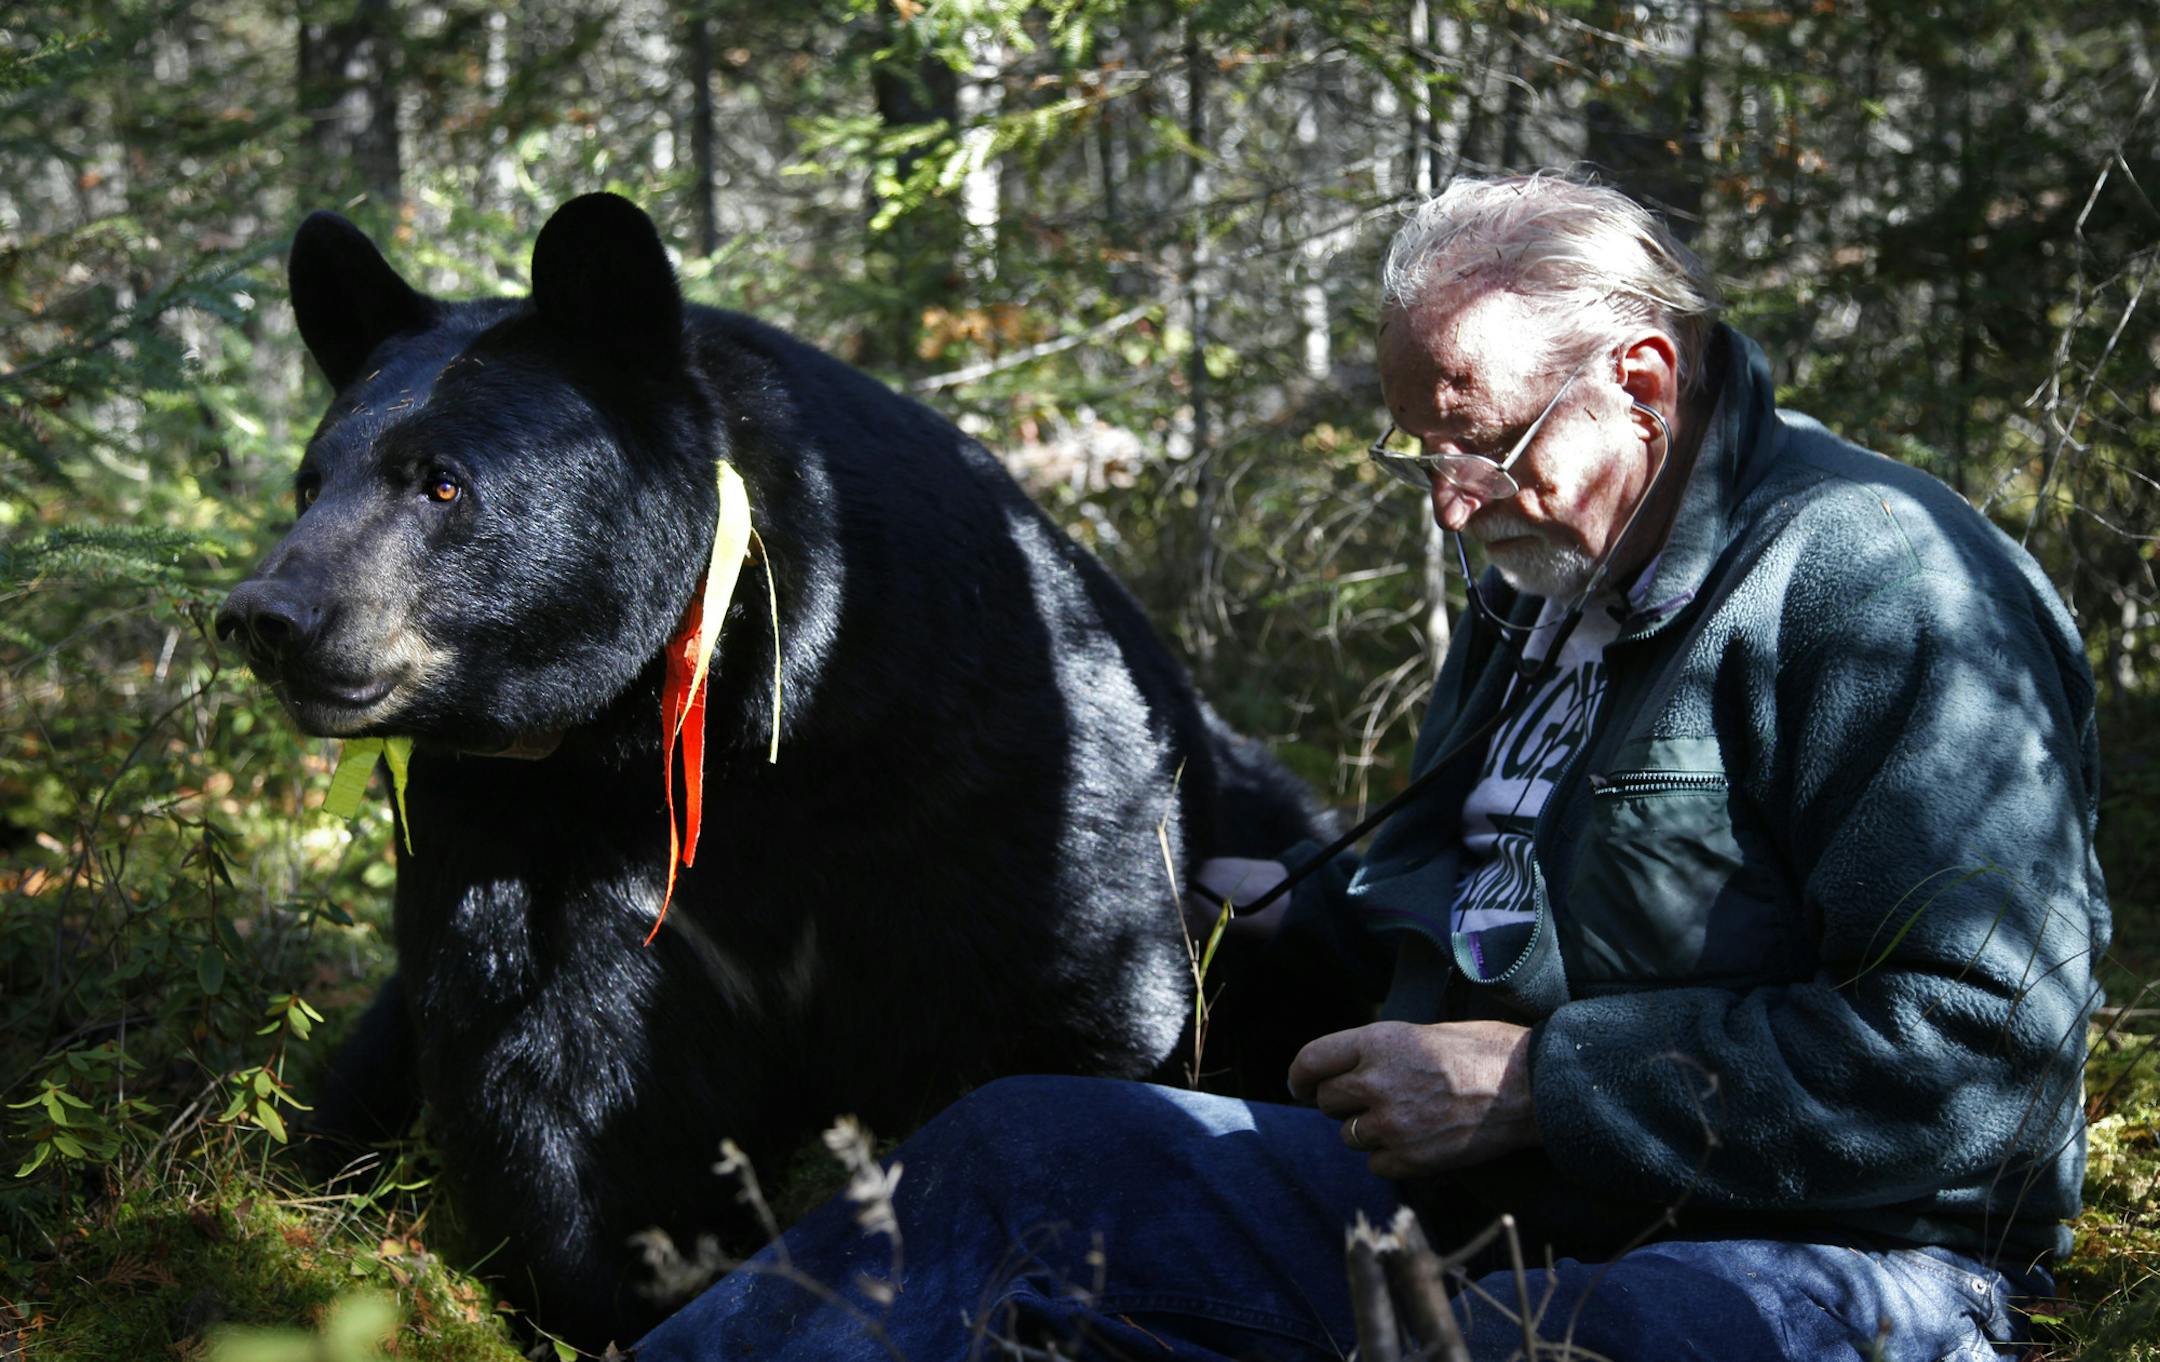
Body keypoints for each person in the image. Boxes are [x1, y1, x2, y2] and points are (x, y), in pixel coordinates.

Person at [634, 172, 2108, 1362]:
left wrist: (1544, 1083)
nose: (1458, 511)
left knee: (1536, 1343)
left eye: (1488, 448)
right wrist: (1300, 915)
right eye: (1426, 462)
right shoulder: (1545, 578)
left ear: (1644, 380)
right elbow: (1491, 902)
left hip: (1850, 1260)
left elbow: (1984, 1057)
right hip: (1503, 1206)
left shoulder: (1877, 584)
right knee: (1029, 1153)